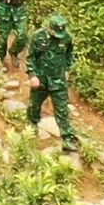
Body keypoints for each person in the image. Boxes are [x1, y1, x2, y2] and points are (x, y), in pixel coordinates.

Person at [25, 14, 79, 154]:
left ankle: (67, 138)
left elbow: (69, 54)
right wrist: (32, 75)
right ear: (49, 28)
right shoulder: (38, 37)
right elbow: (30, 57)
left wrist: (67, 69)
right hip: (41, 79)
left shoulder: (66, 37)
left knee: (62, 109)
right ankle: (32, 125)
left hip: (58, 80)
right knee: (34, 104)